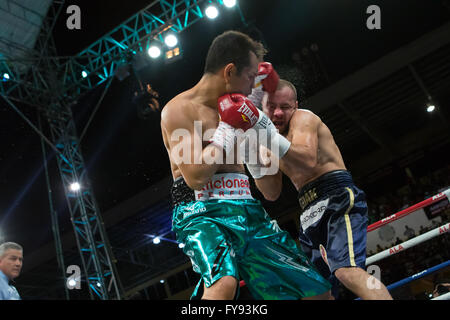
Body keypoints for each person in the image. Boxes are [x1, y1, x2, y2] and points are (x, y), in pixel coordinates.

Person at [160, 30, 332, 300]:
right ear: (229, 71)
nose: (255, 86)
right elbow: (195, 177)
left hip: (247, 208)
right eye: (251, 77)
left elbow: (271, 191)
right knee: (224, 283)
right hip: (200, 211)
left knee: (317, 292)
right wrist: (227, 129)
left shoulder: (243, 109)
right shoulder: (180, 110)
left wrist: (261, 131)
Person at [248, 79, 393, 300]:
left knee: (348, 272)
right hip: (307, 211)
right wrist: (249, 149)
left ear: (295, 105)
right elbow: (271, 192)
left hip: (336, 196)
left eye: (285, 107)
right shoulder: (269, 137)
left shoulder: (304, 118)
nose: (277, 113)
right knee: (315, 292)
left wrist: (265, 133)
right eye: (272, 107)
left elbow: (306, 160)